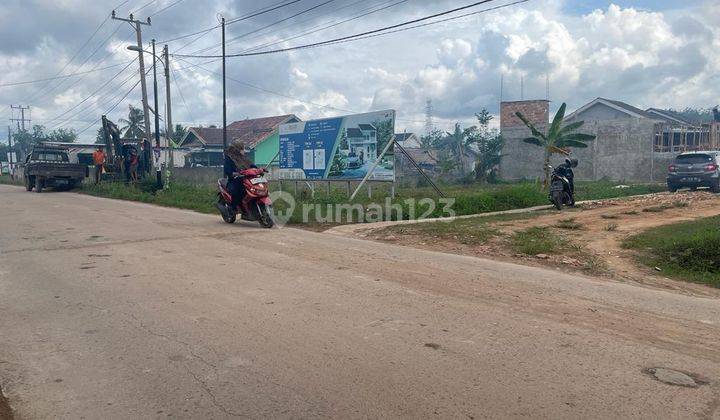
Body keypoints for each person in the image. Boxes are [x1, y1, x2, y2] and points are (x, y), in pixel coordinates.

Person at [223, 141, 255, 212]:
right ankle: (233, 208)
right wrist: (236, 174)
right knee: (237, 191)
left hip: (246, 179)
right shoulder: (229, 158)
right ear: (237, 149)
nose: (244, 150)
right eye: (242, 149)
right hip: (234, 180)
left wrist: (259, 169)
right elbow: (227, 171)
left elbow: (251, 165)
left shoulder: (243, 158)